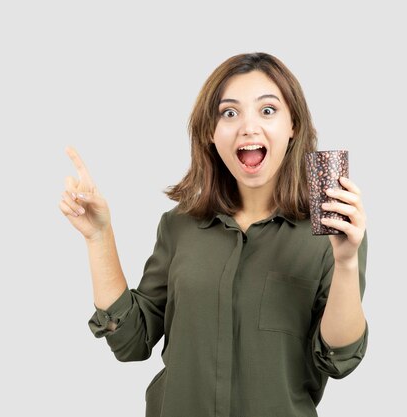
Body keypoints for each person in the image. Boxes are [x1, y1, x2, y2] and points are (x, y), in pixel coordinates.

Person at [58, 52, 368, 417]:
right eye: (230, 113)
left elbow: (338, 360)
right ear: (210, 132)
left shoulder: (331, 233)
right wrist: (99, 238)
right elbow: (130, 341)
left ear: (293, 125)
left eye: (267, 110)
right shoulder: (179, 225)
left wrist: (346, 261)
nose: (248, 127)